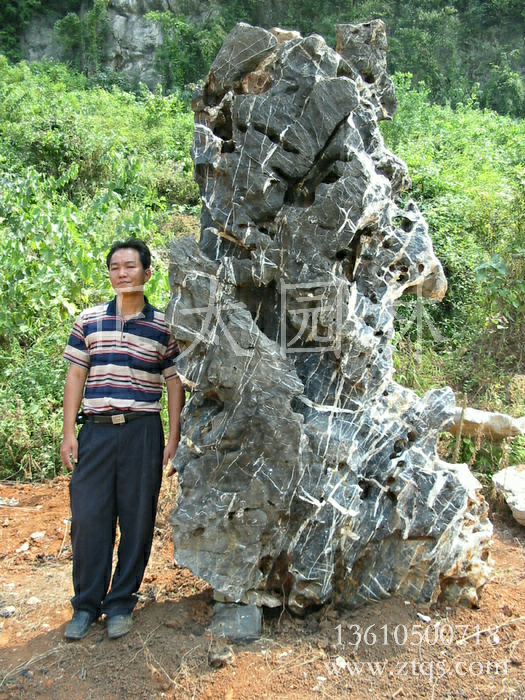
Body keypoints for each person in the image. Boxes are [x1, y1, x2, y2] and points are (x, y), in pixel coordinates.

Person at [60, 238, 184, 640]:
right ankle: (85, 606)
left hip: (143, 431)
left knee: (137, 519)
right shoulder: (89, 320)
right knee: (89, 518)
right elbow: (76, 375)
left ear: (147, 273)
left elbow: (174, 382)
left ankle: (120, 604)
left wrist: (174, 434)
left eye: (130, 266)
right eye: (115, 267)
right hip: (95, 430)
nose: (122, 273)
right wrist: (67, 434)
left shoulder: (164, 326)